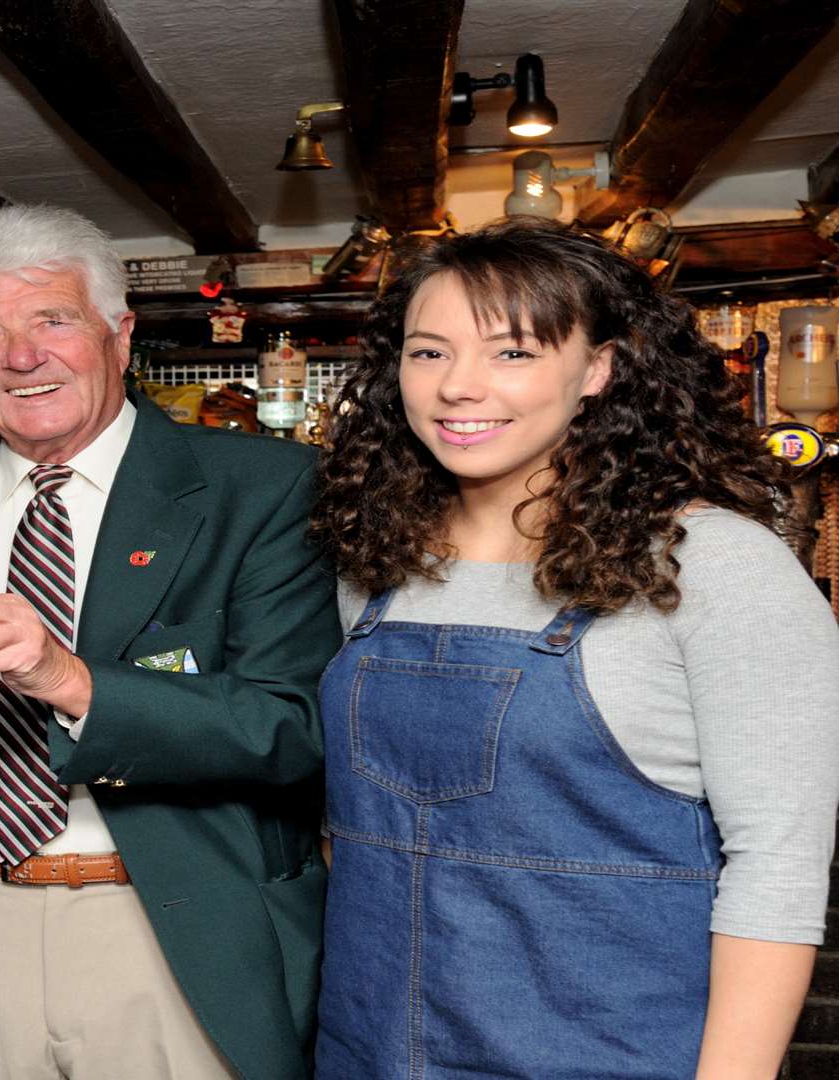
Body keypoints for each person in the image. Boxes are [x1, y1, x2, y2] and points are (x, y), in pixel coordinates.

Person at [0, 205, 341, 1079]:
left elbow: (290, 728)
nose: (21, 357)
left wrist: (68, 678)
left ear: (119, 335)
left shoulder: (264, 488)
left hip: (169, 924)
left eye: (52, 320)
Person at [309, 217, 839, 1077]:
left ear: (598, 368)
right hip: (371, 1049)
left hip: (613, 1055)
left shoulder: (717, 567)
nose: (458, 387)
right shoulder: (376, 562)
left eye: (512, 353)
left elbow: (776, 873)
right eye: (428, 352)